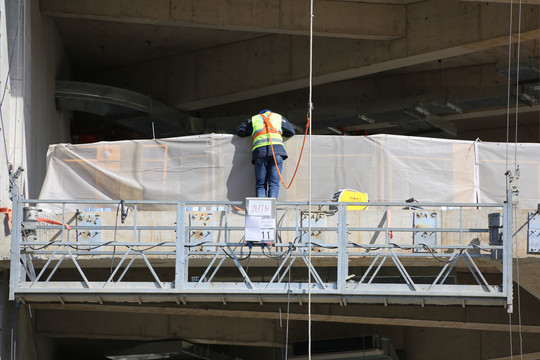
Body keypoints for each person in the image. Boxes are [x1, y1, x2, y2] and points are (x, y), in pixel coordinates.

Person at [236, 109, 295, 198]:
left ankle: (262, 211)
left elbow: (240, 131)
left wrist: (251, 131)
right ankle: (271, 210)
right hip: (277, 152)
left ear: (260, 114)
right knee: (274, 184)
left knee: (261, 184)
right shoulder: (278, 117)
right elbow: (291, 132)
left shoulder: (254, 119)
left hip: (260, 153)